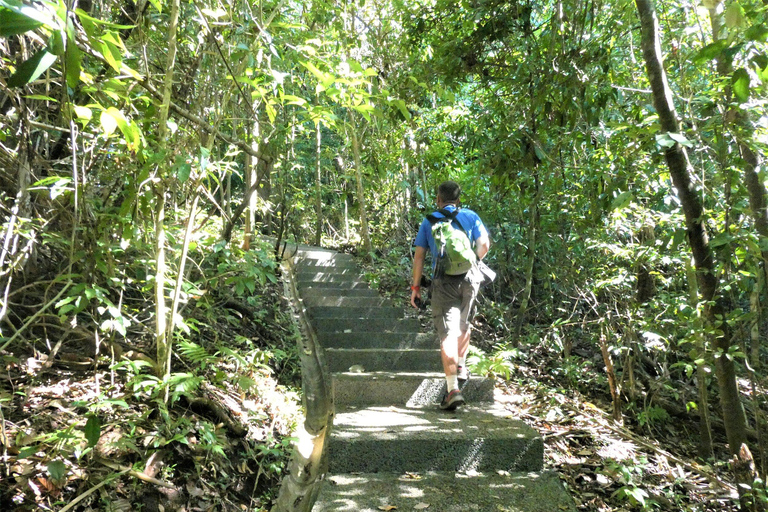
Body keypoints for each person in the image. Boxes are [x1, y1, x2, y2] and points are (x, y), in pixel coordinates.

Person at [411, 181, 490, 411]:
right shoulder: (470, 216)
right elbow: (484, 244)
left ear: (438, 199)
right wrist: (472, 262)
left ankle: (453, 389)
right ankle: (462, 365)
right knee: (464, 322)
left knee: (447, 333)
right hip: (470, 278)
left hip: (443, 281)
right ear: (458, 199)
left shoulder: (429, 220)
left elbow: (419, 257)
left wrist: (416, 288)